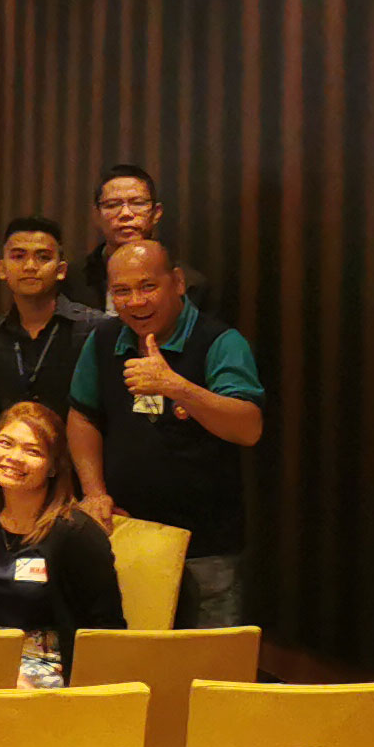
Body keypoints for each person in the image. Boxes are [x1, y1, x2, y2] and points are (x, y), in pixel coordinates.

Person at [66, 240, 265, 626]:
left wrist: (174, 386)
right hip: (126, 537)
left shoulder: (220, 341)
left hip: (206, 548)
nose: (136, 302)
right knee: (132, 665)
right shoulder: (104, 339)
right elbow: (82, 415)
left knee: (210, 670)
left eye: (147, 287)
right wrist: (94, 492)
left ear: (176, 282)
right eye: (122, 291)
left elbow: (248, 428)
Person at [0, 401, 123, 688]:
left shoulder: (76, 534)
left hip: (55, 668)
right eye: (5, 443)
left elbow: (107, 631)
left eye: (32, 451)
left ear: (53, 467)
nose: (13, 457)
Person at [0, 216, 110, 425]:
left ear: (61, 270)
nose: (30, 266)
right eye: (18, 256)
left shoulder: (95, 328)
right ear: (1, 269)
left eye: (43, 257)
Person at [68, 164, 217, 313]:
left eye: (137, 203)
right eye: (112, 205)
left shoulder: (189, 284)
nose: (125, 213)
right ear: (97, 215)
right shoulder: (71, 280)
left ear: (156, 213)